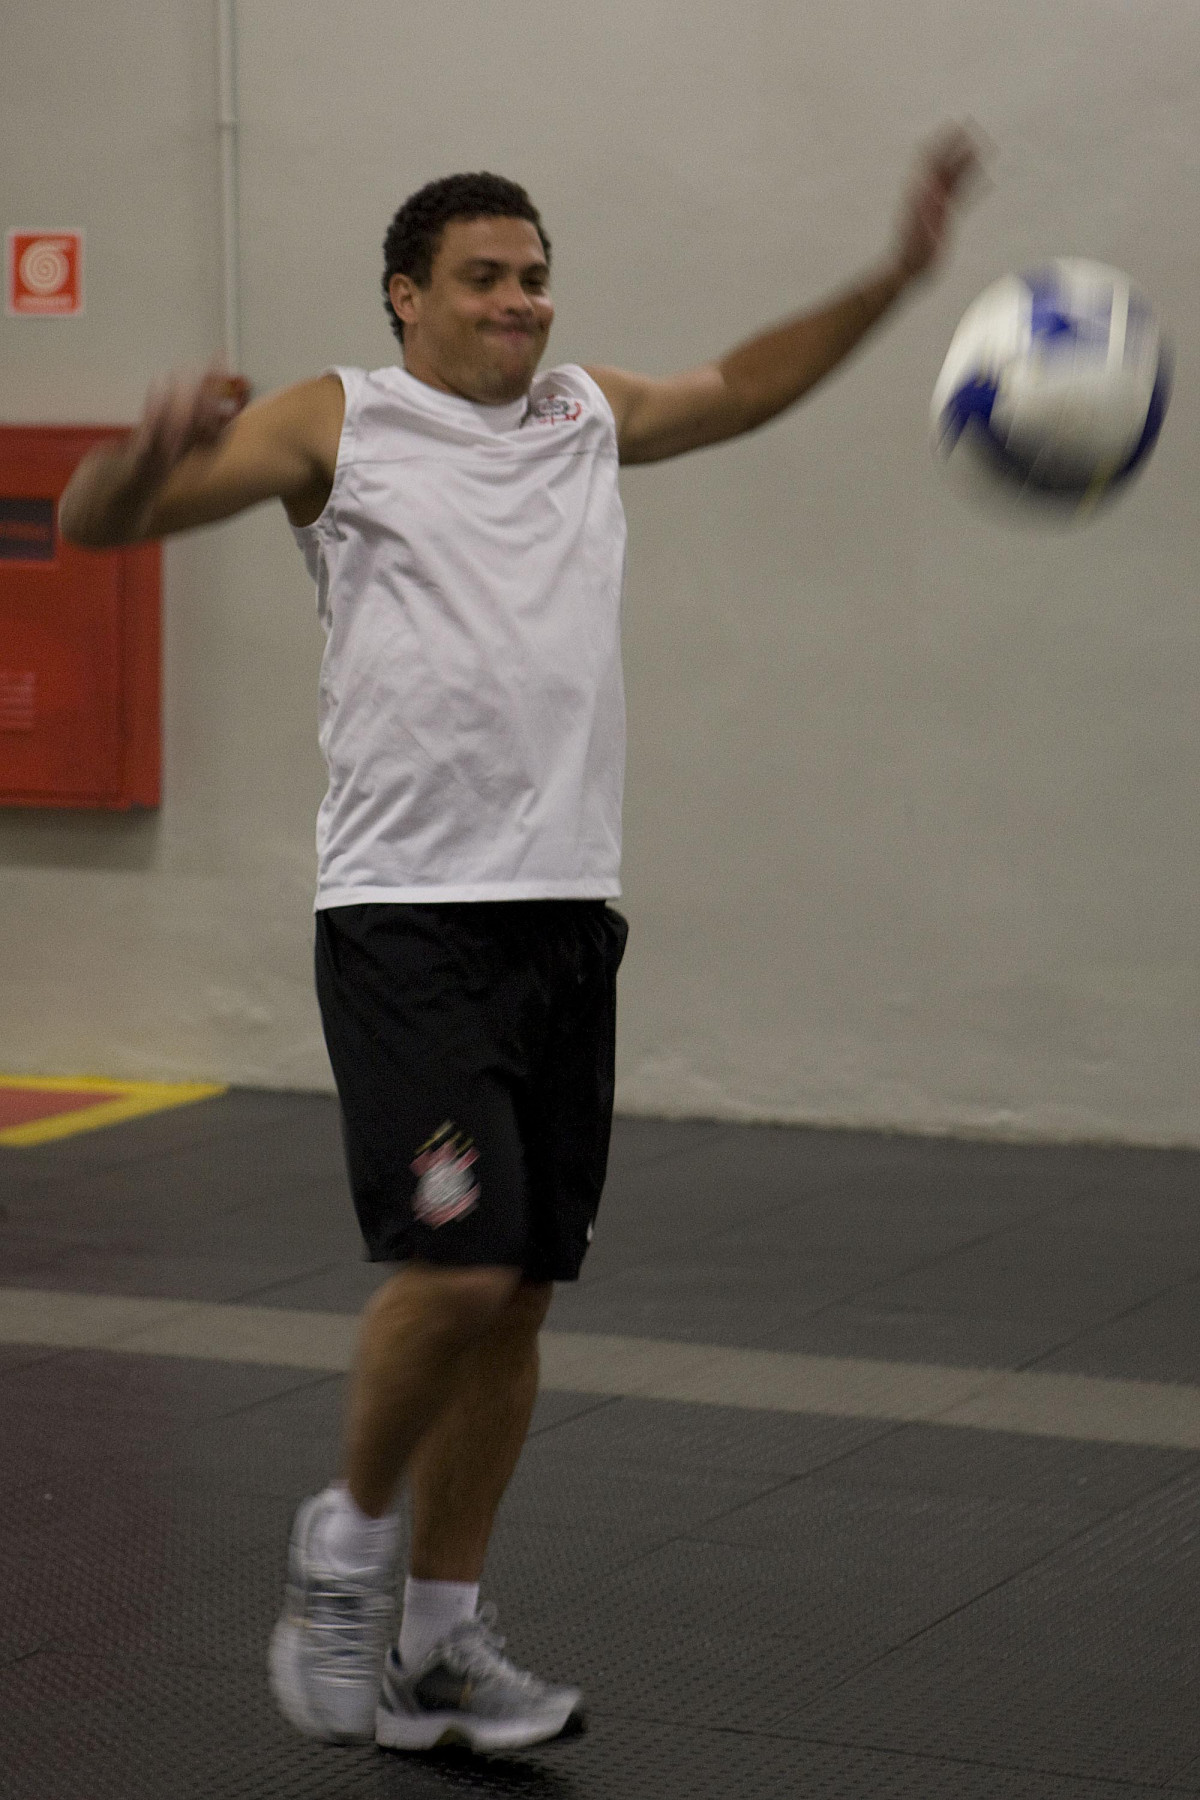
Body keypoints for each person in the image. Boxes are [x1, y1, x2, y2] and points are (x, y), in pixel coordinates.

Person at [60, 128, 981, 1755]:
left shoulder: (580, 417)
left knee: (522, 1297)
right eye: (484, 278)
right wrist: (138, 451)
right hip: (410, 917)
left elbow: (746, 385)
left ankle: (436, 1644)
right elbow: (96, 524)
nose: (521, 303)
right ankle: (343, 1545)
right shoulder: (341, 418)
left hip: (567, 911)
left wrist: (898, 277)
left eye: (537, 278)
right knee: (458, 1265)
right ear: (407, 297)